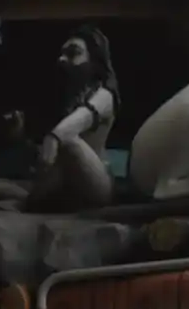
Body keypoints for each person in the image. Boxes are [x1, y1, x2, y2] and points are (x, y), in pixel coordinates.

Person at [25, 26, 119, 211]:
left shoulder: (105, 95)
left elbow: (72, 127)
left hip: (97, 181)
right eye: (62, 54)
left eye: (73, 53)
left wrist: (53, 138)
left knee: (67, 141)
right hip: (67, 180)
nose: (62, 59)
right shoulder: (71, 98)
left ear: (95, 62)